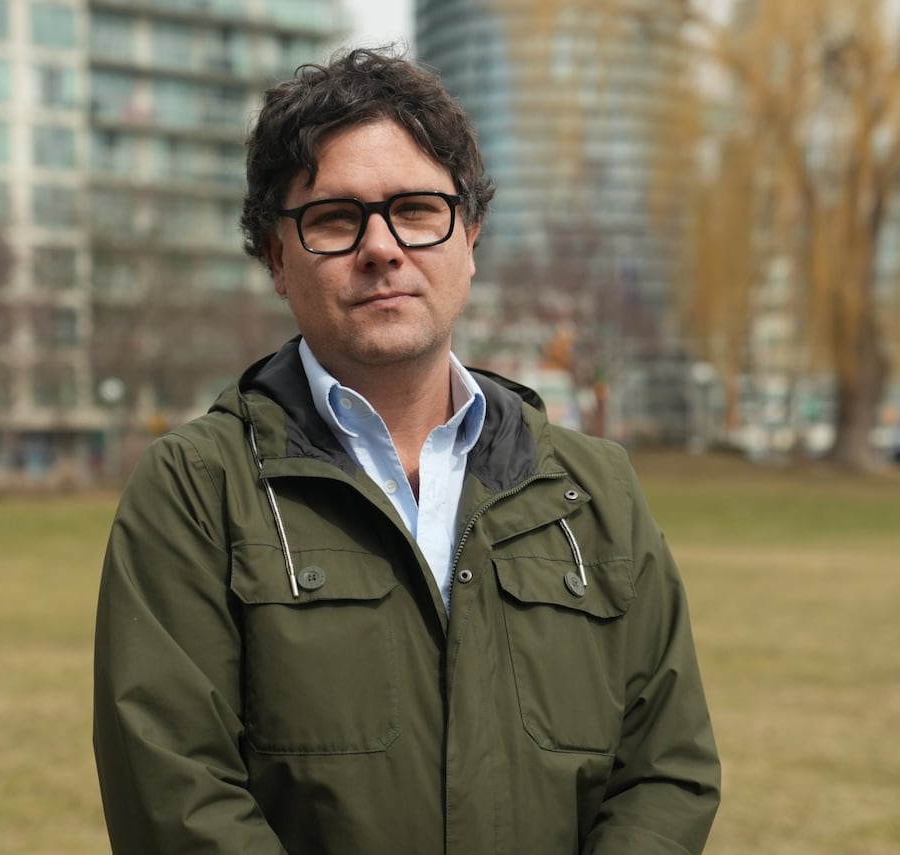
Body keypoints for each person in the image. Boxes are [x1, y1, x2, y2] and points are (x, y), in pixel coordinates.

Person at [93, 47, 720, 854]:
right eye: (333, 219)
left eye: (417, 209)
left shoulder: (594, 489)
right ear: (277, 258)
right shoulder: (196, 490)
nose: (382, 247)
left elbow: (666, 771)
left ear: (471, 233)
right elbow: (174, 798)